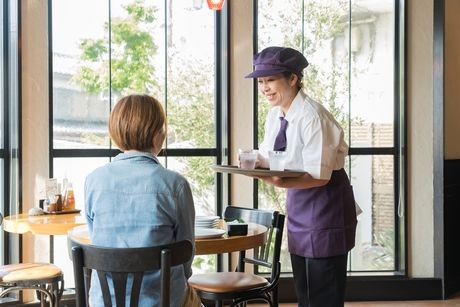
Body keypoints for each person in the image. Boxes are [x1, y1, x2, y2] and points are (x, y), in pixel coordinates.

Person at [245, 46, 357, 307]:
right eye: (261, 81)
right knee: (305, 295)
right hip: (299, 206)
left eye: (270, 79)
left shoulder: (312, 116)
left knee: (324, 297)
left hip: (325, 206)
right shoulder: (275, 116)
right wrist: (251, 162)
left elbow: (319, 176)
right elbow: (269, 156)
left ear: (293, 78)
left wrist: (273, 180)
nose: (264, 88)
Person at [84, 94, 201, 307]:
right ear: (158, 134)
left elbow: (98, 240)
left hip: (104, 301)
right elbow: (186, 253)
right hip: (163, 300)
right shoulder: (175, 185)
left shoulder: (93, 181)